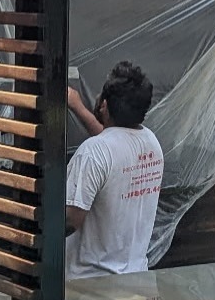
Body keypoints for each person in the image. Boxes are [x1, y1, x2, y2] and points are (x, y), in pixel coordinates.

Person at [64, 61, 164, 280]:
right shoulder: (151, 143)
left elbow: (70, 221)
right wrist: (77, 107)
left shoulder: (93, 152)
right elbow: (112, 145)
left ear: (104, 105)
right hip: (136, 279)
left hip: (90, 284)